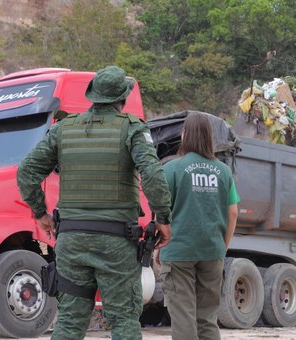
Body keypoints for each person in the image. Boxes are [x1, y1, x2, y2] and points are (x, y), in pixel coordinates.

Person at [17, 65, 172, 340]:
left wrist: (40, 213)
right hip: (116, 243)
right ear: (122, 98)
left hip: (72, 241)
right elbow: (153, 174)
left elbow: (27, 172)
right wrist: (162, 218)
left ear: (94, 96)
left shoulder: (63, 129)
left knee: (68, 323)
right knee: (124, 321)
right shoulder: (132, 129)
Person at [155, 112, 240, 340]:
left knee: (183, 317)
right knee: (207, 319)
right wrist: (223, 246)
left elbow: (161, 212)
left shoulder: (172, 169)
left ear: (185, 135)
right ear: (209, 137)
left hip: (178, 251)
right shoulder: (223, 171)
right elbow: (233, 211)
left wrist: (158, 247)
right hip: (212, 251)